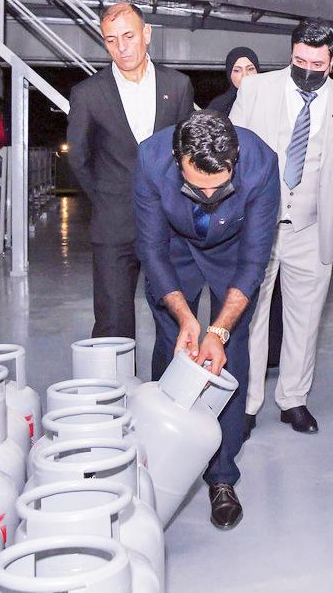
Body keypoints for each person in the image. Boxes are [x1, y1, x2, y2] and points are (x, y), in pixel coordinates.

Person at [132, 111, 279, 530]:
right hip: (173, 249)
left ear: (235, 158)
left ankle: (222, 475)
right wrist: (185, 317)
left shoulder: (261, 162)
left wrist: (217, 329)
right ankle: (159, 462)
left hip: (232, 252)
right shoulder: (150, 159)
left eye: (219, 186)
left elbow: (255, 259)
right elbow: (151, 249)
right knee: (172, 345)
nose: (209, 195)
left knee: (227, 354)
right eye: (198, 186)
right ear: (177, 159)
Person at [230, 20, 333, 436]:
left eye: (317, 64)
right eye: (300, 61)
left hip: (313, 229)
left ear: (331, 62)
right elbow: (231, 157)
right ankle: (246, 404)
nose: (307, 70)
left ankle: (293, 399)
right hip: (257, 228)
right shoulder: (255, 90)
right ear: (291, 54)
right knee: (250, 317)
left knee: (305, 318)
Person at [67, 1, 195, 339]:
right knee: (113, 323)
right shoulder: (87, 94)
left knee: (176, 322)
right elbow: (78, 158)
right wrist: (108, 199)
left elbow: (186, 154)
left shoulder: (178, 86)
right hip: (113, 226)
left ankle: (170, 376)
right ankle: (114, 376)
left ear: (146, 34)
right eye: (111, 40)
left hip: (169, 225)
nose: (121, 47)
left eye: (128, 36)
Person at [206, 47, 260, 116]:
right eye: (237, 70)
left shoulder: (269, 100)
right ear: (229, 74)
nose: (245, 75)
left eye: (250, 69)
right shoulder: (218, 106)